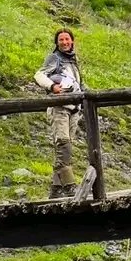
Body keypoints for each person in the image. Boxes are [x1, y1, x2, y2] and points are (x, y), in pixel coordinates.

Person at [34, 29, 83, 199]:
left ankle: (55, 188)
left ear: (72, 41)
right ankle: (69, 185)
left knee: (66, 146)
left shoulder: (73, 61)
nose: (64, 42)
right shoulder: (54, 58)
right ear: (57, 43)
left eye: (67, 39)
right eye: (61, 40)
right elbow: (39, 74)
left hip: (74, 108)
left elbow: (77, 83)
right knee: (63, 144)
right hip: (59, 107)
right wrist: (52, 87)